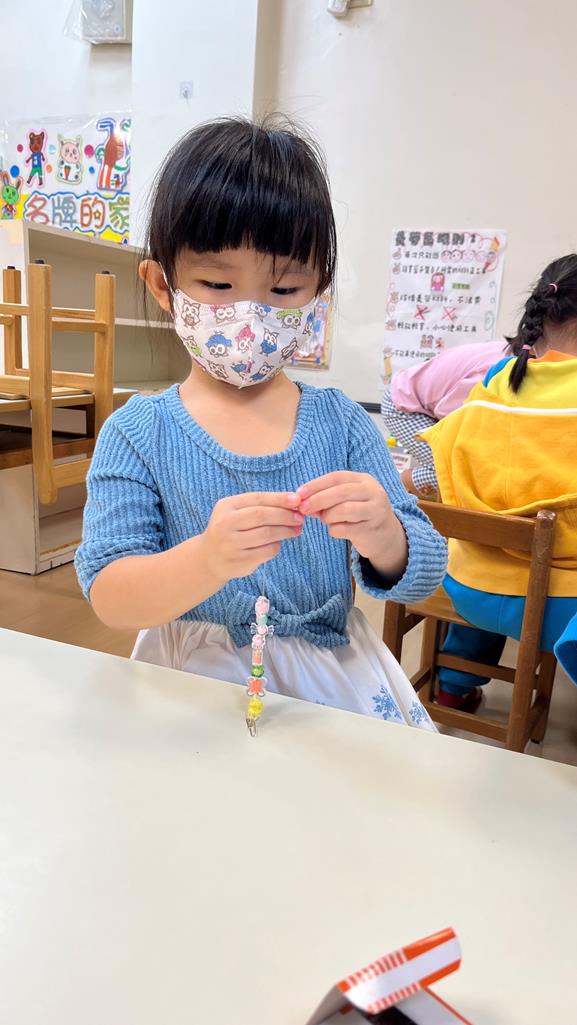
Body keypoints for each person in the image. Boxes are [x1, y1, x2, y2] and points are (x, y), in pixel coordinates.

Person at [75, 117, 447, 730]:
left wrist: (385, 536)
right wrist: (207, 559)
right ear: (163, 285)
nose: (251, 315)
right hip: (189, 683)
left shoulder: (343, 425)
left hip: (332, 680)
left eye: (285, 287)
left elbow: (424, 575)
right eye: (218, 283)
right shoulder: (138, 433)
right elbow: (111, 595)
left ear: (318, 293)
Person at [422, 254, 577, 708]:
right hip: (558, 610)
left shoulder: (496, 379)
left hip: (468, 588)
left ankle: (452, 688)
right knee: (532, 565)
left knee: (495, 552)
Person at [381, 339, 507, 496]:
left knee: (465, 470)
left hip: (427, 404)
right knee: (452, 472)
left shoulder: (511, 355)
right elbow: (448, 414)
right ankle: (390, 489)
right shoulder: (499, 370)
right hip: (403, 406)